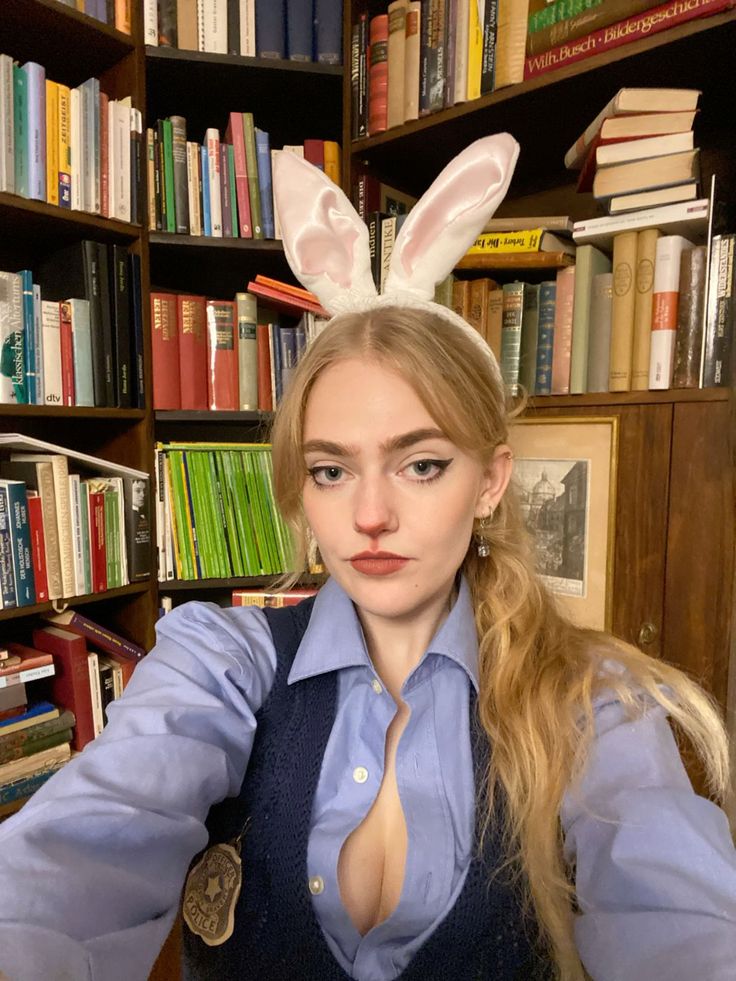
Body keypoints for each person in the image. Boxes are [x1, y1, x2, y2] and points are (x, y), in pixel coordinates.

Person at [0, 136, 734, 981]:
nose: (371, 515)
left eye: (422, 464)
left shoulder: (593, 703)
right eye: (331, 469)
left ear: (490, 481)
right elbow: (83, 846)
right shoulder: (219, 660)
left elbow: (680, 916)